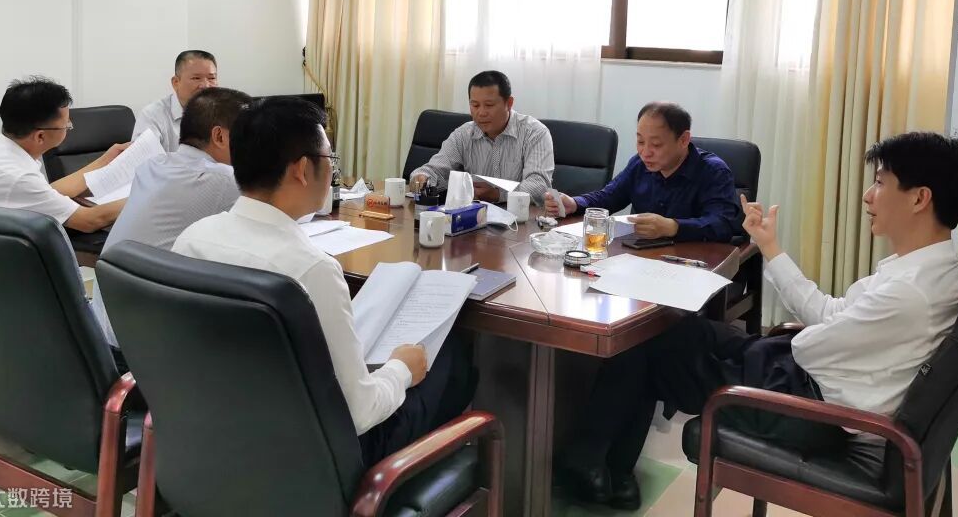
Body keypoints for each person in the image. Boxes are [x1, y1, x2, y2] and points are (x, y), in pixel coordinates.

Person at [556, 132, 958, 511]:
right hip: (811, 381)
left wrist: (790, 341)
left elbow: (810, 346)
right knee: (671, 329)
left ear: (919, 198)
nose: (869, 196)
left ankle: (591, 464)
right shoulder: (932, 271)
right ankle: (604, 468)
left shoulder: (908, 292)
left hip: (808, 408)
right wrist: (769, 245)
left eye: (881, 183)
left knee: (645, 343)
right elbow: (828, 318)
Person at [173, 97, 477, 464]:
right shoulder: (311, 270)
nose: (332, 168)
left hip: (214, 439)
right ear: (303, 169)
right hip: (313, 457)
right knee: (450, 359)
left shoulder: (192, 238)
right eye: (329, 158)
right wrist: (401, 369)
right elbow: (361, 413)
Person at [92, 87, 251, 347]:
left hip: (103, 327)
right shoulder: (221, 179)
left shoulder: (152, 165)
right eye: (249, 135)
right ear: (220, 136)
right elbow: (284, 209)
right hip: (148, 342)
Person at [545, 102, 741, 242]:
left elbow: (723, 224)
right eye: (640, 141)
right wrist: (575, 203)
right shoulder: (640, 164)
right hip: (642, 259)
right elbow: (609, 197)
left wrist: (674, 227)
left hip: (694, 266)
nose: (645, 152)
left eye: (656, 144)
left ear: (683, 140)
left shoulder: (713, 171)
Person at [0, 76, 127, 234]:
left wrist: (107, 159)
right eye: (66, 124)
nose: (69, 126)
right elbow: (90, 221)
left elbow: (50, 191)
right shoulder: (19, 177)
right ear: (40, 136)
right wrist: (140, 197)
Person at [409, 71, 554, 204]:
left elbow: (538, 186)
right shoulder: (463, 134)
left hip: (521, 218)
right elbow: (432, 170)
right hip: (473, 216)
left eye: (489, 105)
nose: (481, 113)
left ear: (509, 103)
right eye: (475, 105)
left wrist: (498, 195)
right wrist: (421, 178)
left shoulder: (535, 133)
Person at [134, 50, 219, 151]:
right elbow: (145, 159)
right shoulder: (153, 115)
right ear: (176, 82)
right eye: (196, 78)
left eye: (211, 78)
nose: (205, 85)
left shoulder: (224, 113)